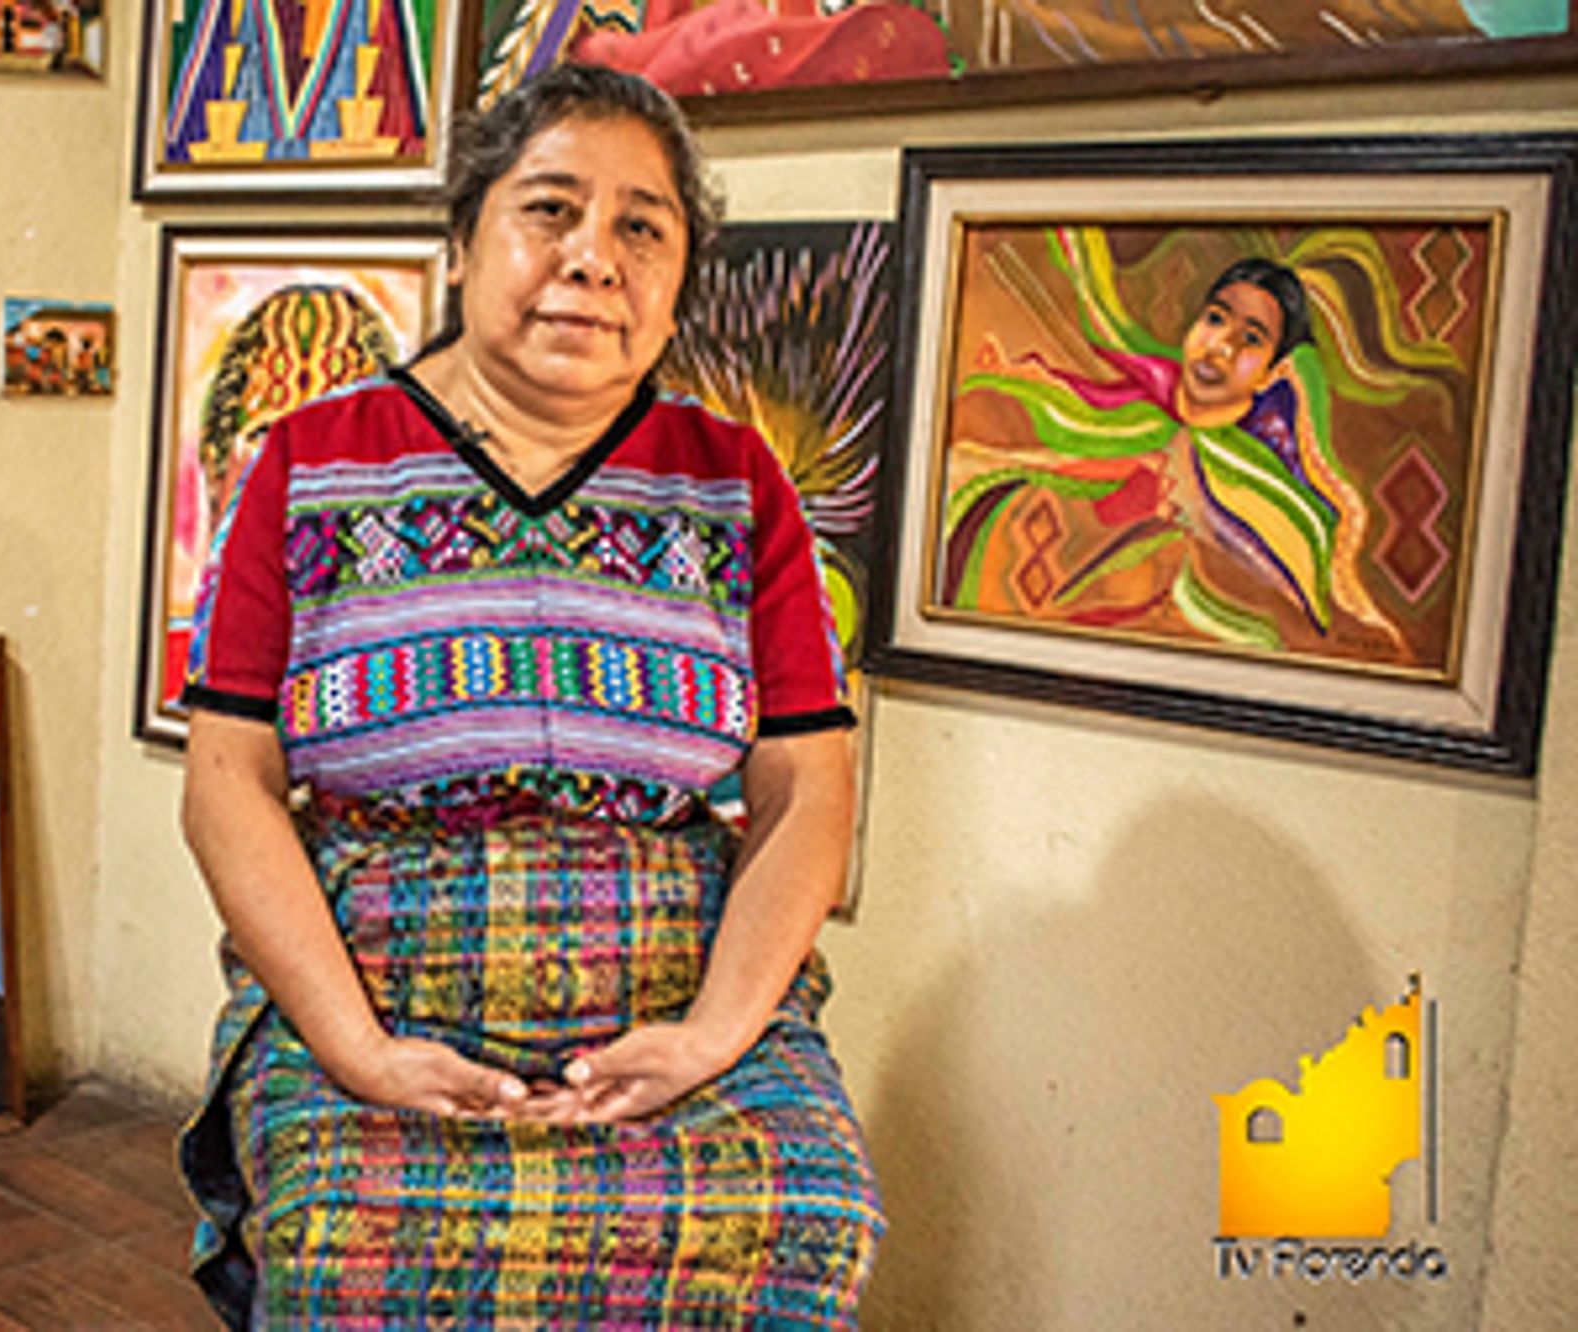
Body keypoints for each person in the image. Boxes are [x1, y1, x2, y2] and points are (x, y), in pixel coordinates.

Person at [176, 62, 884, 1326]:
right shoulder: (308, 463)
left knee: (807, 1211)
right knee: (346, 1232)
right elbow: (229, 781)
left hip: (669, 989)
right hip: (382, 977)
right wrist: (359, 1051)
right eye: (548, 209)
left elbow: (805, 786)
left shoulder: (737, 485)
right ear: (462, 243)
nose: (593, 258)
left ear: (674, 281)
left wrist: (712, 1036)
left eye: (641, 228)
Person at [944, 241, 1409, 654]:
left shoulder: (1251, 483)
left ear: (1271, 373)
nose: (1220, 347)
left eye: (1250, 340)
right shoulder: (1145, 402)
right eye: (1214, 319)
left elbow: (1287, 607)